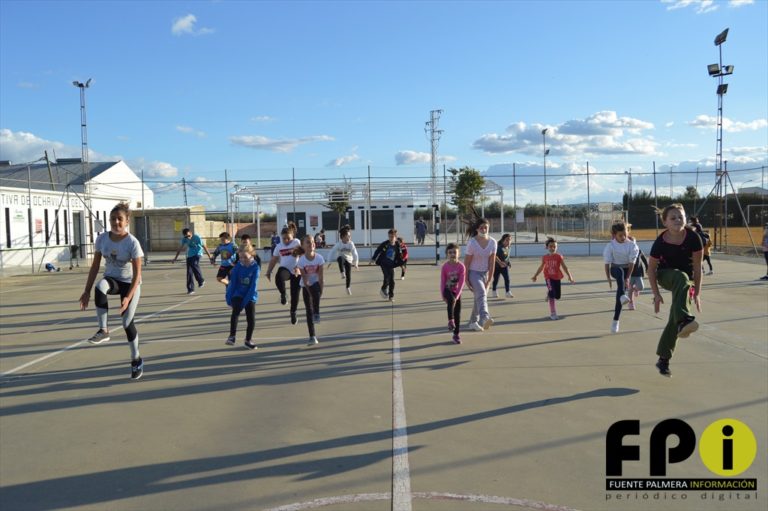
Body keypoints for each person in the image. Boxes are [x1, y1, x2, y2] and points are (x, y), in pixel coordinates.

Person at [79, 202, 145, 380]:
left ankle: (136, 359)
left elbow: (138, 274)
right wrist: (86, 291)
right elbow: (94, 267)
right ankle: (103, 330)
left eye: (119, 219)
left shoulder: (132, 243)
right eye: (113, 219)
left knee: (126, 323)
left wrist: (128, 297)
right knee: (100, 286)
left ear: (127, 221)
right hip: (112, 280)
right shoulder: (102, 239)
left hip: (130, 284)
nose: (116, 222)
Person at [648, 203, 703, 377]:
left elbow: (697, 267)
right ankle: (684, 320)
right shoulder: (660, 242)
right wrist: (656, 294)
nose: (678, 220)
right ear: (665, 222)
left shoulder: (693, 238)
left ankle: (663, 359)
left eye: (681, 217)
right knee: (680, 277)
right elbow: (651, 270)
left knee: (675, 316)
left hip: (686, 282)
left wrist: (698, 293)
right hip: (666, 276)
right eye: (673, 218)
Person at [603, 222, 639, 333]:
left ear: (628, 232)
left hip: (626, 270)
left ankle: (615, 321)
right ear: (614, 235)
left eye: (625, 234)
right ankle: (623, 294)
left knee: (620, 293)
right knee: (619, 273)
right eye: (620, 235)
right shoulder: (610, 245)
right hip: (615, 269)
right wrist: (608, 278)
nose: (623, 237)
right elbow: (607, 263)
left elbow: (632, 263)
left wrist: (627, 278)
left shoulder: (632, 245)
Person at [225, 244, 260, 350]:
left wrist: (245, 302)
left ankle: (248, 340)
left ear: (251, 255)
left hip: (250, 296)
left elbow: (253, 287)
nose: (242, 259)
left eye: (245, 257)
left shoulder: (255, 268)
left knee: (251, 319)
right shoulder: (238, 267)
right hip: (238, 294)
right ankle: (232, 336)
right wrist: (228, 297)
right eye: (240, 257)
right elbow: (232, 284)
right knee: (235, 311)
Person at [464, 217, 497, 331]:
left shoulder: (493, 242)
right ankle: (485, 318)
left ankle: (473, 322)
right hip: (473, 273)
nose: (484, 230)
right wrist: (466, 279)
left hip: (486, 273)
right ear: (477, 229)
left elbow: (492, 262)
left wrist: (490, 278)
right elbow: (467, 262)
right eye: (481, 228)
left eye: (486, 227)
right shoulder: (472, 243)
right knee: (482, 294)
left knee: (479, 298)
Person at [265, 222, 301, 325]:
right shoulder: (279, 246)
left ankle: (293, 312)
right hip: (285, 269)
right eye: (284, 238)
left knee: (295, 295)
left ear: (292, 236)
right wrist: (268, 271)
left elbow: (302, 255)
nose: (286, 240)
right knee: (278, 277)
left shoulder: (296, 242)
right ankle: (283, 294)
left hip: (296, 271)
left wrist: (299, 267)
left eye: (288, 238)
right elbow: (274, 259)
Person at [531, 237, 575, 320]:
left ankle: (549, 292)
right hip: (548, 277)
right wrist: (535, 275)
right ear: (547, 247)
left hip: (557, 277)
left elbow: (565, 267)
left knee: (557, 296)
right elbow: (541, 267)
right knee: (552, 294)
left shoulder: (559, 256)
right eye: (551, 246)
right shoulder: (545, 257)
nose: (552, 248)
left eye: (554, 246)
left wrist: (570, 276)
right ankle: (553, 313)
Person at [296, 235, 324, 346]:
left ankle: (317, 313)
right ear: (303, 246)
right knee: (308, 310)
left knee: (315, 294)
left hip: (317, 283)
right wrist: (310, 292)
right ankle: (312, 336)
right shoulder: (301, 261)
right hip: (306, 285)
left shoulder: (319, 258)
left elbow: (321, 277)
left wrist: (320, 291)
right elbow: (305, 279)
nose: (311, 243)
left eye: (312, 241)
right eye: (308, 242)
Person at [172, 227, 212, 295]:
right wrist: (175, 258)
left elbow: (204, 247)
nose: (188, 237)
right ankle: (190, 289)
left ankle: (201, 280)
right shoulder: (184, 239)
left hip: (198, 254)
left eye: (188, 235)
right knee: (189, 272)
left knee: (194, 264)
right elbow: (180, 248)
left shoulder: (197, 237)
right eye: (186, 236)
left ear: (191, 233)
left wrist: (210, 257)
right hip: (190, 255)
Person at [441, 243, 466, 344]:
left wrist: (457, 296)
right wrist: (442, 294)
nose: (452, 254)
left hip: (457, 292)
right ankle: (450, 321)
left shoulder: (461, 267)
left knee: (457, 313)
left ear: (458, 254)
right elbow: (442, 281)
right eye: (450, 252)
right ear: (447, 254)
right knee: (451, 301)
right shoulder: (445, 267)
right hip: (447, 290)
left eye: (454, 252)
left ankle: (456, 334)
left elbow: (461, 282)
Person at [371, 229, 404, 302]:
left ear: (395, 237)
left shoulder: (397, 245)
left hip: (391, 265)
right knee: (387, 277)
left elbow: (400, 255)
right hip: (383, 263)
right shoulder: (385, 244)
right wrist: (373, 258)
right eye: (389, 237)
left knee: (392, 280)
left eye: (392, 237)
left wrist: (402, 264)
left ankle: (391, 296)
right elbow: (378, 250)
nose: (391, 238)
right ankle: (383, 288)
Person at [327, 225, 358, 295]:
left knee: (349, 275)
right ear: (343, 237)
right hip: (341, 258)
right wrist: (329, 262)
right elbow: (332, 252)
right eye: (348, 236)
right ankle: (342, 272)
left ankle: (348, 287)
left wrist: (356, 263)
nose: (350, 238)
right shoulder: (338, 244)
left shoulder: (351, 244)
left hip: (349, 259)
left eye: (350, 236)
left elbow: (355, 253)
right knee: (340, 258)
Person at [627, 225, 649, 311]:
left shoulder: (639, 251)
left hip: (638, 273)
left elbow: (644, 260)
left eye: (634, 243)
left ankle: (636, 289)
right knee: (629, 289)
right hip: (630, 274)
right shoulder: (627, 252)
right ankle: (631, 303)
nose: (633, 244)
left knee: (641, 287)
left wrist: (647, 268)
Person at [491, 233, 513, 299]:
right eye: (507, 240)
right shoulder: (499, 247)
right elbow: (495, 256)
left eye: (510, 240)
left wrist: (508, 263)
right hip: (497, 267)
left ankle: (508, 292)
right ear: (503, 240)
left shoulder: (509, 247)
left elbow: (507, 257)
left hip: (504, 266)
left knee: (507, 279)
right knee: (496, 279)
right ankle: (494, 291)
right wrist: (500, 263)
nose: (508, 241)